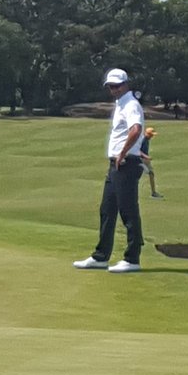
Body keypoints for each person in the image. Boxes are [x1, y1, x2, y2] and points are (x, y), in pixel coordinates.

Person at [74, 68, 145, 273]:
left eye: (116, 86)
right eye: (110, 86)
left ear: (125, 85)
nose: (113, 90)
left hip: (125, 164)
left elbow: (136, 129)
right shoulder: (121, 103)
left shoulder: (131, 104)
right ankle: (101, 256)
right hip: (116, 164)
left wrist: (123, 153)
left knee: (128, 211)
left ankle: (132, 258)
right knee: (107, 210)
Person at [139, 127, 164, 199]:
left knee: (151, 173)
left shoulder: (147, 140)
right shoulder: (143, 140)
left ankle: (153, 192)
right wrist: (146, 156)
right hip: (141, 160)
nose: (152, 136)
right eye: (151, 135)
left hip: (145, 160)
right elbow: (138, 151)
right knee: (139, 175)